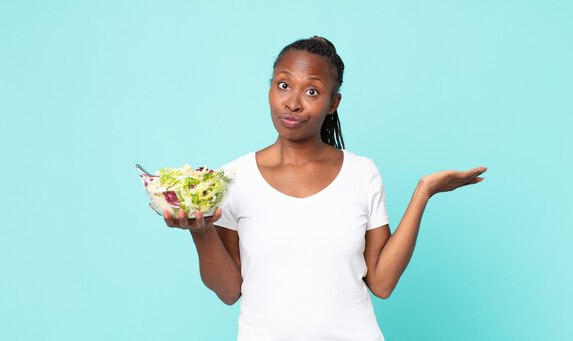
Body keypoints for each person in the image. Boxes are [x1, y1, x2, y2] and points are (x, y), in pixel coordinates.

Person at [162, 36, 487, 340]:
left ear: (334, 103)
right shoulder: (235, 177)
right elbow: (229, 291)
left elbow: (382, 283)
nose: (292, 103)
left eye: (312, 92)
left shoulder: (362, 173)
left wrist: (423, 192)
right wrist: (201, 231)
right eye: (284, 85)